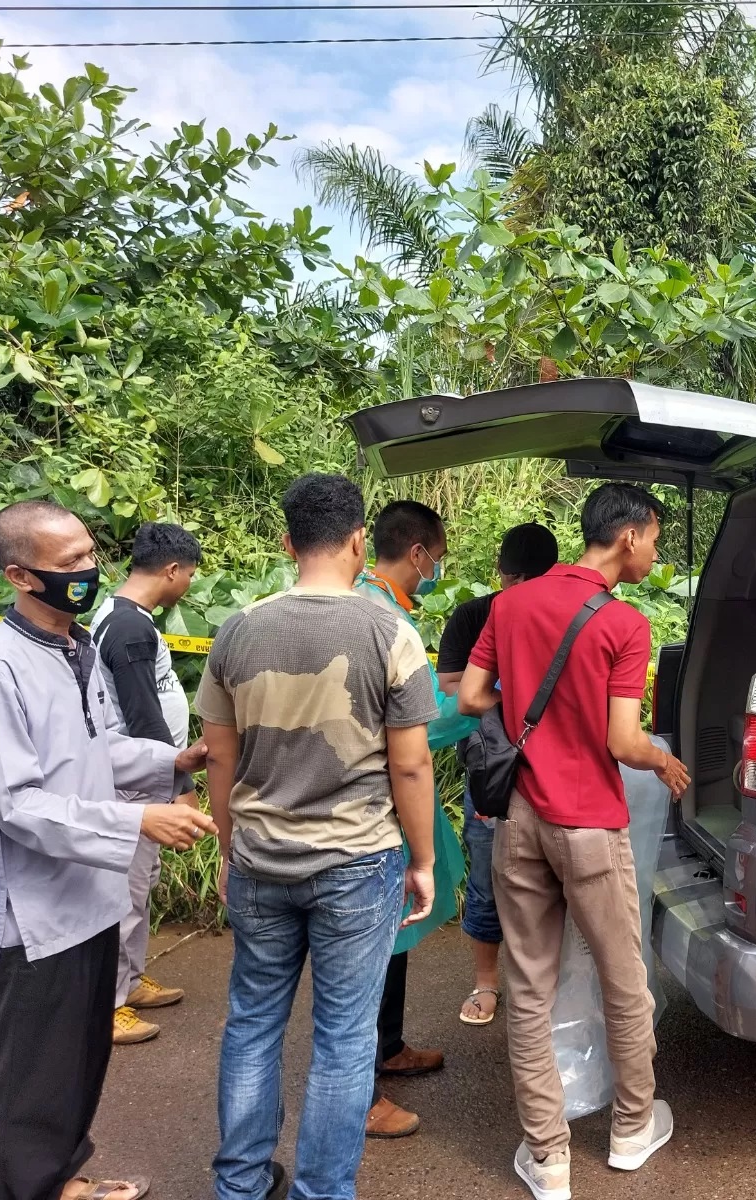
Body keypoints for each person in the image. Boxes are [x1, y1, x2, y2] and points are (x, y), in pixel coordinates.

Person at [0, 500, 214, 1200]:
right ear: (19, 575)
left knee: (77, 1060)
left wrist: (174, 759)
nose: (87, 570)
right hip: (32, 914)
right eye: (67, 563)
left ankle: (62, 1178)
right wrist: (137, 825)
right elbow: (19, 805)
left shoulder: (78, 649)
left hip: (90, 897)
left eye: (90, 554)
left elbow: (101, 751)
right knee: (29, 1076)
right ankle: (22, 1189)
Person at [200, 473, 438, 1200]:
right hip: (357, 863)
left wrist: (225, 847)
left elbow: (218, 753)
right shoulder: (389, 631)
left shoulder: (239, 628)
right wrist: (423, 860)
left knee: (253, 1022)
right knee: (342, 1039)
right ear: (361, 541)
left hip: (261, 860)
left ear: (286, 542)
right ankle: (322, 1192)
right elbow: (412, 761)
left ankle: (238, 1185)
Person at [460, 483, 690, 1200]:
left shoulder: (510, 604)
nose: (654, 551)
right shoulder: (624, 624)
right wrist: (664, 759)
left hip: (520, 819)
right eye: (653, 538)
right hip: (590, 823)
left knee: (527, 988)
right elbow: (623, 742)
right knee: (625, 980)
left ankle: (549, 1158)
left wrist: (531, 711)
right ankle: (629, 1130)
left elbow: (470, 696)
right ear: (628, 536)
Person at [352, 499, 475, 1137]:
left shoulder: (381, 604)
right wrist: (481, 702)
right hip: (376, 809)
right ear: (419, 552)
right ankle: (363, 1093)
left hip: (382, 803)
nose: (436, 572)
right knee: (372, 950)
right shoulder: (378, 616)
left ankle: (391, 1047)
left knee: (393, 938)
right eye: (438, 559)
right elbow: (417, 726)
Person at [434, 521, 561, 1026]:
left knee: (535, 881)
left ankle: (522, 987)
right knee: (494, 877)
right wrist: (525, 705)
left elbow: (459, 688)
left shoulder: (564, 616)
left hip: (543, 771)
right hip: (494, 768)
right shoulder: (475, 614)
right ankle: (490, 983)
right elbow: (450, 684)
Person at [90, 521, 205, 1046]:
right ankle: (109, 1002)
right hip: (136, 781)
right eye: (190, 575)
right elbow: (142, 715)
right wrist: (178, 780)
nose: (190, 584)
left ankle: (130, 981)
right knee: (125, 890)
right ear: (172, 570)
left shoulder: (125, 619)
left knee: (140, 885)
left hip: (144, 776)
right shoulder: (130, 628)